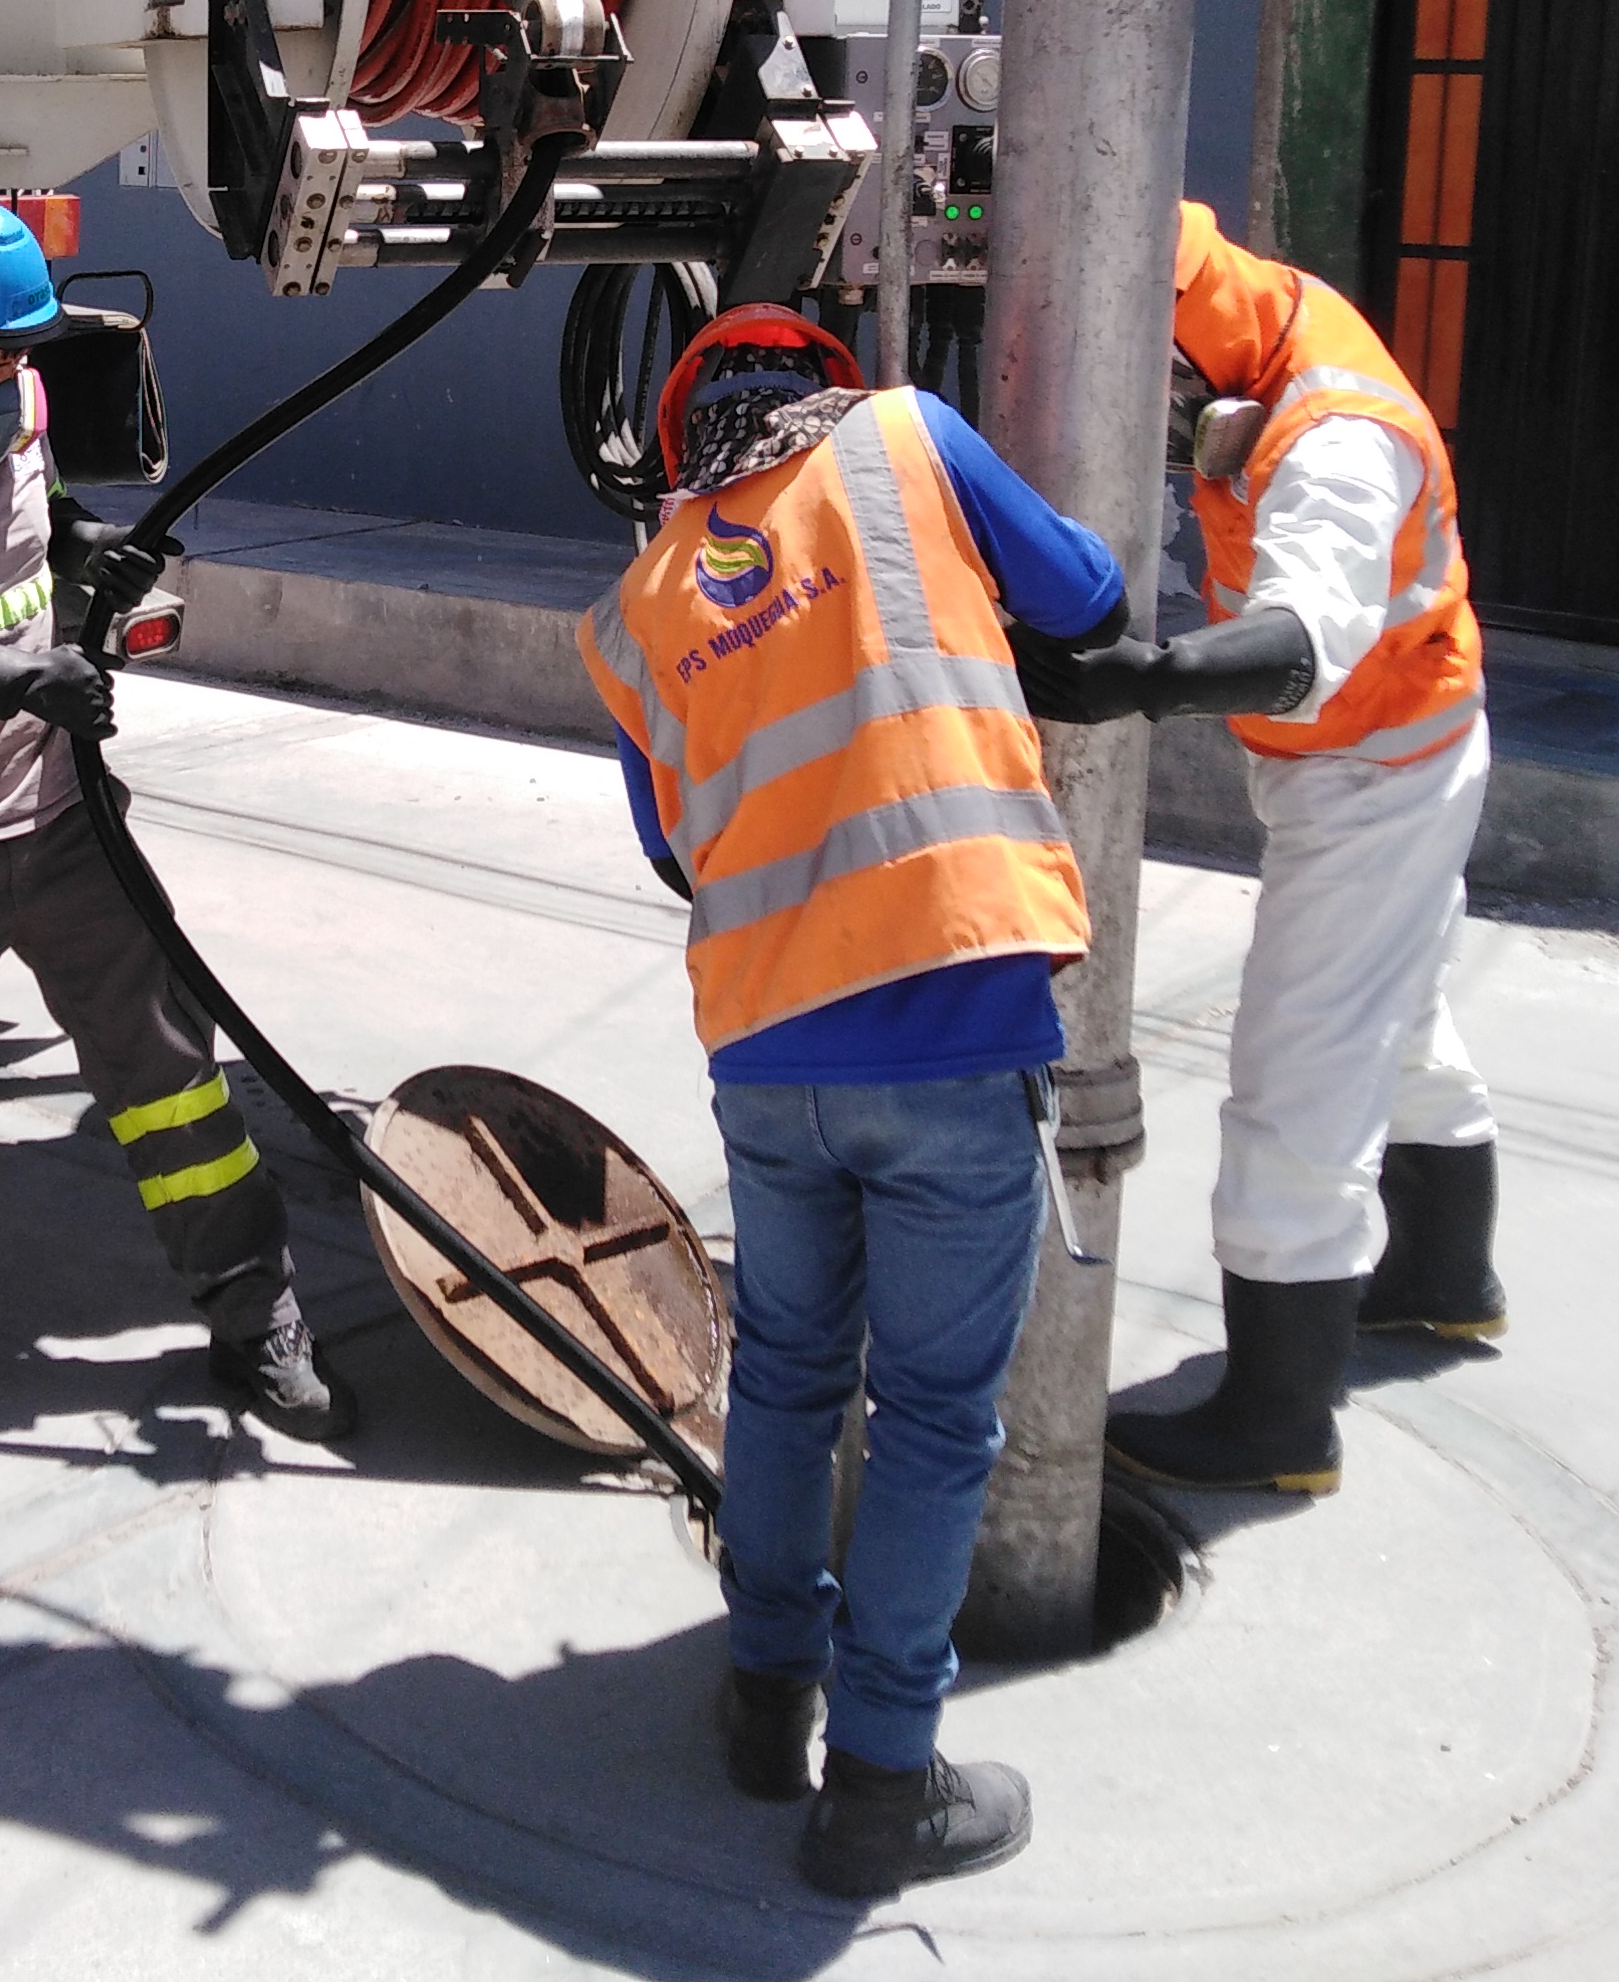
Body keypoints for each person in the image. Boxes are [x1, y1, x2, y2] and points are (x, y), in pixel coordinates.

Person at [577, 304, 1149, 1898]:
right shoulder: (903, 437)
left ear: (689, 427)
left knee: (787, 1378)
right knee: (935, 1425)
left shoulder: (638, 605)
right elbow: (1088, 594)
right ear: (818, 390)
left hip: (769, 1051)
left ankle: (768, 1701)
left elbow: (672, 843)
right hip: (954, 1012)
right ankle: (884, 1783)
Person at [0, 192, 353, 1442]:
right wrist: (27, 677)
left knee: (169, 1073)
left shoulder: (16, 406)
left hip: (53, 804)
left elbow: (34, 544)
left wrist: (99, 549)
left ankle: (256, 1315)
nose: (10, 372)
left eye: (23, 348)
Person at [1057, 203, 1506, 1501]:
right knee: (1399, 1020)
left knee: (1298, 1075)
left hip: (1374, 770)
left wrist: (1140, 682)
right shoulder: (1265, 322)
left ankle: (1277, 1419)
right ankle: (1438, 1282)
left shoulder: (1337, 445)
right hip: (1410, 737)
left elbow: (1303, 641)